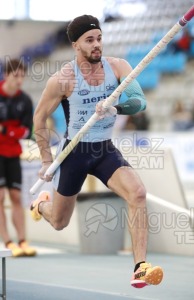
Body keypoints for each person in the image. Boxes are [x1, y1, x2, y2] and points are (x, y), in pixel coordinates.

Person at [31, 15, 163, 288]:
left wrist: (115, 108)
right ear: (75, 45)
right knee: (58, 221)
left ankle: (140, 268)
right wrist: (46, 159)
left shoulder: (118, 67)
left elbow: (139, 102)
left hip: (103, 149)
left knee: (137, 193)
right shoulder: (63, 79)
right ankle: (40, 204)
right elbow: (39, 118)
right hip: (73, 154)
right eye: (89, 40)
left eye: (99, 38)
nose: (97, 45)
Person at [0, 59, 36, 257]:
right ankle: (7, 241)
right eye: (16, 76)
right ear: (6, 75)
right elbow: (19, 130)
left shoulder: (25, 101)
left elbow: (26, 132)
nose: (20, 80)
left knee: (16, 197)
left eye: (22, 76)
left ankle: (23, 240)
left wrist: (6, 130)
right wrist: (14, 131)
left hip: (13, 153)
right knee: (0, 197)